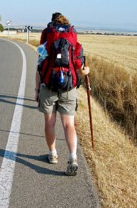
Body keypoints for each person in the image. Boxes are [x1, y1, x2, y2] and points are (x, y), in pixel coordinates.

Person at [35, 14, 90, 176]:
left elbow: (39, 68)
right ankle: (73, 157)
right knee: (69, 125)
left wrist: (37, 90)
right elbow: (81, 68)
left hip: (48, 86)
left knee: (50, 123)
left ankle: (52, 155)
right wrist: (87, 71)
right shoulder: (75, 44)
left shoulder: (46, 43)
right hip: (68, 87)